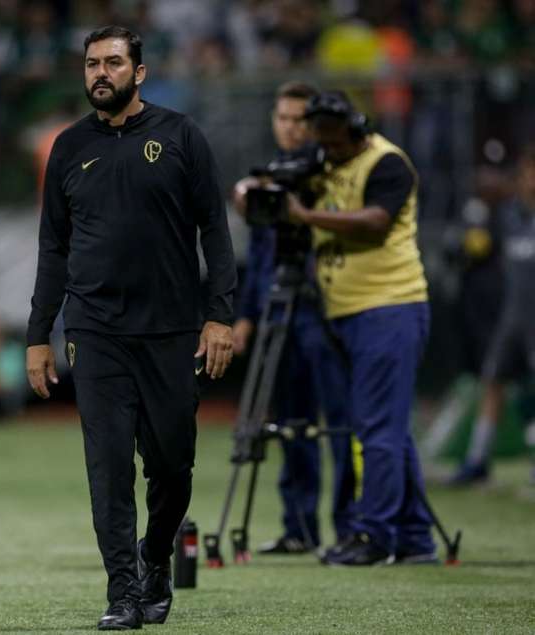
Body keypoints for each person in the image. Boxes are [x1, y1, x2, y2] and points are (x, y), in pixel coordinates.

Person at [26, 26, 236, 631]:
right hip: (94, 331)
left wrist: (220, 314)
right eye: (92, 63)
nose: (101, 73)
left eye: (114, 62)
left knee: (172, 465)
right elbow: (52, 249)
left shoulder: (181, 137)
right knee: (109, 465)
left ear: (138, 73)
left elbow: (216, 233)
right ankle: (123, 591)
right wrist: (39, 333)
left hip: (171, 330)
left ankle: (155, 557)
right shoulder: (67, 147)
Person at [288, 90, 436, 565]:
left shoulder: (388, 162)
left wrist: (307, 215)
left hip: (388, 307)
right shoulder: (327, 161)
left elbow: (375, 222)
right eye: (321, 141)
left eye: (334, 140)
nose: (327, 149)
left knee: (378, 430)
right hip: (348, 311)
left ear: (356, 129)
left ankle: (373, 536)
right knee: (388, 428)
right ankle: (414, 538)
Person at [231, 81, 356, 554]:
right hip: (279, 311)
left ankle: (350, 527)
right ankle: (299, 527)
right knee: (290, 421)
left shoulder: (334, 174)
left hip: (326, 308)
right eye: (282, 118)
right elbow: (262, 256)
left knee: (341, 422)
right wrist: (246, 316)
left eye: (299, 119)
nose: (290, 128)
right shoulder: (272, 181)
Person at [447, 146, 535, 485]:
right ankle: (478, 459)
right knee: (492, 382)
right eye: (528, 173)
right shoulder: (508, 215)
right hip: (512, 317)